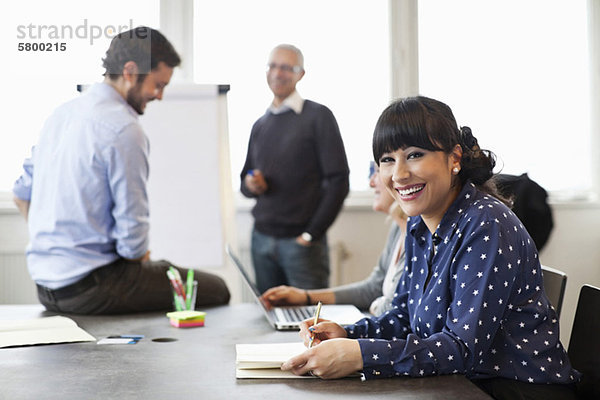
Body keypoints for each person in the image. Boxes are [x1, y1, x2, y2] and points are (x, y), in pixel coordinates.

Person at [281, 96, 580, 400]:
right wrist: (348, 333)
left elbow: (460, 349)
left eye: (415, 155)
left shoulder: (486, 223)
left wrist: (360, 355)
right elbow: (402, 318)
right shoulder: (418, 224)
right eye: (386, 160)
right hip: (457, 385)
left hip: (516, 391)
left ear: (454, 158)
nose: (398, 174)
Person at [12, 26, 230, 315]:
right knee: (215, 288)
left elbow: (20, 195)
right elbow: (132, 243)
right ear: (130, 71)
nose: (160, 96)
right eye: (158, 84)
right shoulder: (124, 129)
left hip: (46, 288)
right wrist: (144, 262)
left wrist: (60, 247)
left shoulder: (61, 114)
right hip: (93, 287)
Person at [240, 44, 349, 293]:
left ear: (300, 74)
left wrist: (311, 234)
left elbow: (339, 180)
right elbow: (244, 180)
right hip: (261, 240)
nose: (278, 73)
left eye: (287, 68)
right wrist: (251, 184)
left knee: (311, 324)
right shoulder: (260, 124)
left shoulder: (318, 116)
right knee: (270, 320)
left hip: (301, 245)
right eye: (273, 66)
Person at [261, 162, 407, 315]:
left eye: (377, 172)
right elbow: (373, 289)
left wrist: (378, 304)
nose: (371, 183)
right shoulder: (397, 228)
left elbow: (393, 309)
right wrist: (306, 297)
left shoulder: (417, 234)